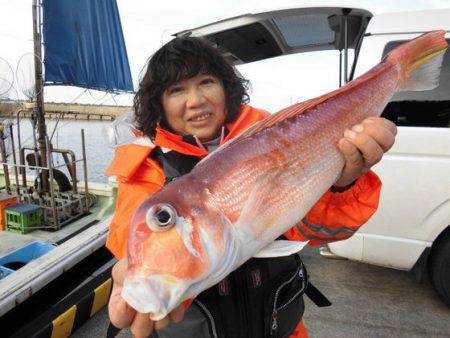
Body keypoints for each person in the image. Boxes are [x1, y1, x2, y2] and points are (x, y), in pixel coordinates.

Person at [106, 37, 397, 338]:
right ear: (159, 104)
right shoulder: (144, 167)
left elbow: (319, 233)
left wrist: (343, 184)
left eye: (206, 82)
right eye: (176, 90)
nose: (195, 100)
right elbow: (135, 247)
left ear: (225, 88)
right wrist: (153, 283)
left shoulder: (277, 137)